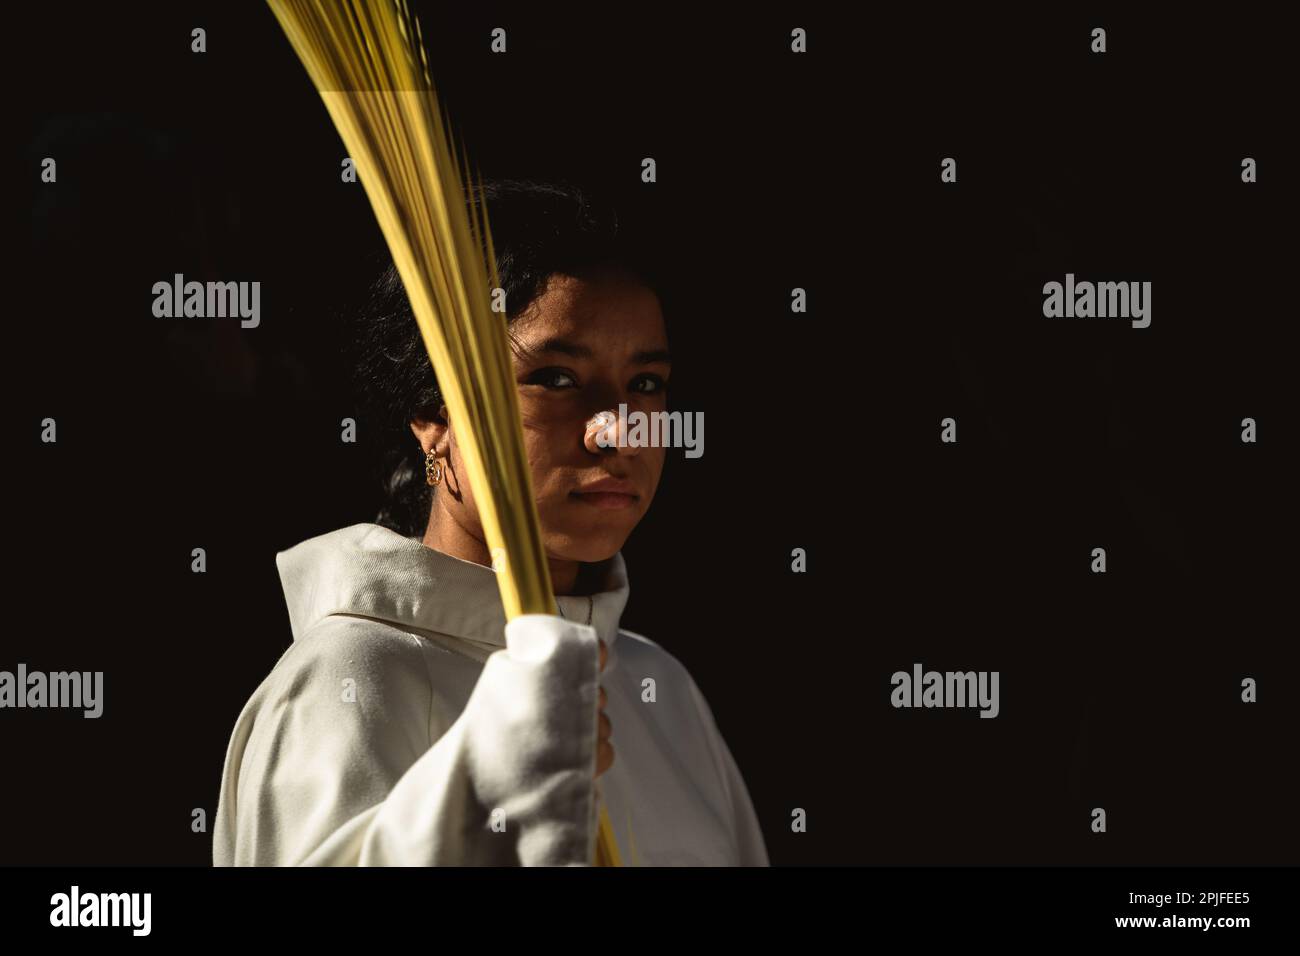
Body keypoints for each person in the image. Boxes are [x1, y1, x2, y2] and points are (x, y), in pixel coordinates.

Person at [213, 179, 768, 866]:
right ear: (433, 415)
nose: (616, 430)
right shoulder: (349, 676)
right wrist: (481, 788)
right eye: (557, 379)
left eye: (645, 384)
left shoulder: (662, 688)